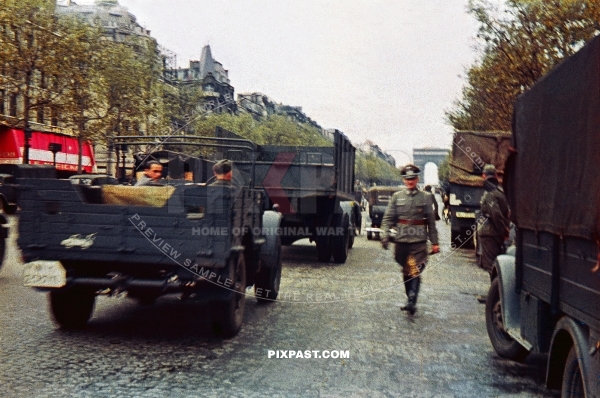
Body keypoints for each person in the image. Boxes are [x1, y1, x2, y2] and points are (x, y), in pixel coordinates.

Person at [381, 164, 440, 315]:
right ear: (404, 180)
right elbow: (388, 217)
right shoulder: (396, 197)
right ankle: (410, 297)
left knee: (415, 269)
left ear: (417, 179)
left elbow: (431, 222)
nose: (410, 181)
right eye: (407, 179)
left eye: (413, 179)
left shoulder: (426, 198)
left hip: (418, 241)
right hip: (401, 240)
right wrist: (385, 234)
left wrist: (435, 242)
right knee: (407, 270)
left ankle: (412, 299)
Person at [478, 164, 510, 275]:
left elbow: (496, 214)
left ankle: (495, 290)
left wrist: (503, 232)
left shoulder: (490, 192)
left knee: (491, 265)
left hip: (490, 234)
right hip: (495, 233)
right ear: (496, 175)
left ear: (483, 175)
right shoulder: (500, 191)